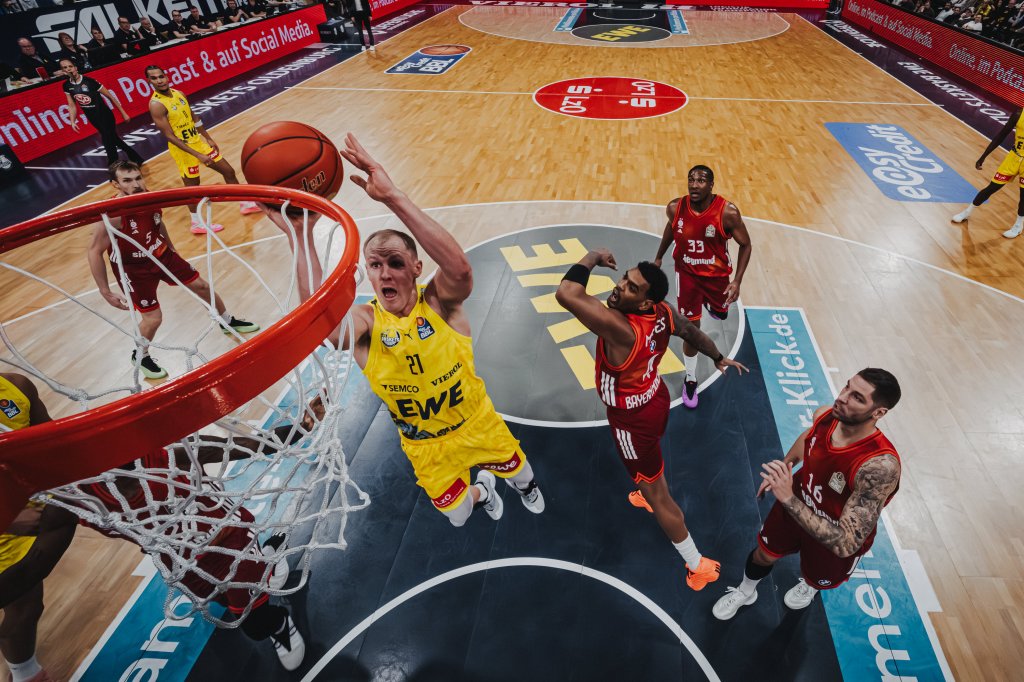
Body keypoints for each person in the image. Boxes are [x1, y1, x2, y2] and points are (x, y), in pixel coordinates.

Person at [259, 134, 546, 528]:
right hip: (426, 446)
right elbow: (324, 327)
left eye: (395, 263)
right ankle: (483, 491)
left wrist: (393, 197)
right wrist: (301, 234)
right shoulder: (366, 323)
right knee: (459, 515)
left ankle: (524, 488)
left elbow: (460, 270)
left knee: (524, 474)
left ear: (416, 267)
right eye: (375, 265)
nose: (384, 273)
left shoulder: (439, 305)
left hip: (476, 422)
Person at [554, 250, 747, 590]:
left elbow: (566, 293)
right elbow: (689, 330)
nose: (619, 287)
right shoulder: (663, 312)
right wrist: (717, 356)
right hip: (655, 398)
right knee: (651, 461)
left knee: (659, 496)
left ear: (644, 303)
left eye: (631, 288)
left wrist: (593, 257)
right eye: (624, 279)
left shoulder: (619, 327)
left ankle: (697, 564)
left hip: (630, 420)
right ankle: (646, 486)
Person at [64, 426, 306, 670]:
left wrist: (302, 426)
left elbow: (249, 444)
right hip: (183, 562)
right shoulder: (83, 501)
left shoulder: (171, 454)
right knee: (226, 601)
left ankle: (280, 625)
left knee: (254, 625)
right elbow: (42, 550)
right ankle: (269, 558)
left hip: (229, 538)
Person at [711, 369, 902, 620]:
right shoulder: (826, 416)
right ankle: (746, 591)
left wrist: (788, 498)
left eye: (857, 397)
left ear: (878, 413)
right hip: (797, 504)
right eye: (846, 387)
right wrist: (785, 465)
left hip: (829, 533)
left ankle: (810, 586)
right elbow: (809, 438)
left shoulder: (879, 467)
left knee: (816, 577)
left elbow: (846, 543)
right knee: (763, 554)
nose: (842, 397)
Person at [87, 161, 259, 379]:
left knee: (201, 286)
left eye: (138, 178)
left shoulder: (148, 196)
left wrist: (172, 248)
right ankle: (140, 355)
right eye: (127, 181)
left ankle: (226, 321)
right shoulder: (113, 215)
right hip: (134, 269)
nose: (136, 185)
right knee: (153, 318)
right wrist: (104, 291)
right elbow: (94, 251)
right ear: (115, 185)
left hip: (160, 254)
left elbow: (157, 222)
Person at [652, 165, 752, 410]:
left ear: (711, 185)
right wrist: (659, 256)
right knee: (690, 329)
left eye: (701, 180)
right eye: (691, 179)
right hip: (687, 276)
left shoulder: (727, 213)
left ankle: (713, 306)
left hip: (717, 277)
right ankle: (690, 378)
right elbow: (671, 227)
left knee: (720, 313)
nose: (694, 185)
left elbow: (746, 244)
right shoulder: (675, 208)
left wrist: (737, 280)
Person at [0, 373, 77, 682]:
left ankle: (24, 673)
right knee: (23, 603)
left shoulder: (15, 387)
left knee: (27, 605)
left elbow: (54, 447)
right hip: (8, 518)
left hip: (21, 509)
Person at [145, 65, 260, 232]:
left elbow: (194, 117)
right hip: (183, 150)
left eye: (161, 76)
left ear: (166, 77)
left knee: (228, 171)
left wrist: (208, 137)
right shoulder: (156, 105)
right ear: (149, 81)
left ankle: (245, 204)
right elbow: (169, 136)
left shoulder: (178, 93)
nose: (159, 80)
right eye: (154, 78)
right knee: (193, 188)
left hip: (198, 142)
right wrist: (197, 155)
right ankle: (196, 223)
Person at [952, 107, 1024, 238]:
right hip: (1014, 157)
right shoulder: (1019, 114)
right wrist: (984, 156)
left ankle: (1018, 226)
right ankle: (967, 212)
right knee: (992, 187)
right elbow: (1001, 136)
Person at [62, 59, 144, 166]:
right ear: (63, 71)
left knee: (106, 139)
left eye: (70, 66)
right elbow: (72, 105)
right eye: (65, 68)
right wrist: (72, 121)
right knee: (113, 138)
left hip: (105, 114)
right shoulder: (66, 85)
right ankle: (136, 157)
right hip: (92, 118)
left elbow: (110, 96)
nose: (68, 69)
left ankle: (113, 163)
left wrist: (123, 113)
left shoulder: (89, 81)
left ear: (75, 68)